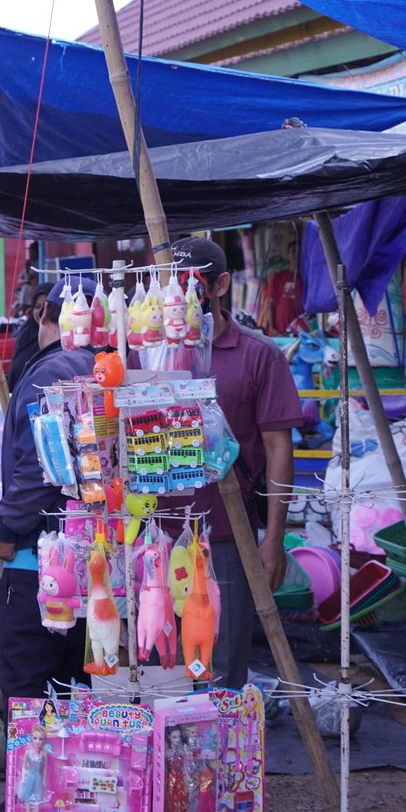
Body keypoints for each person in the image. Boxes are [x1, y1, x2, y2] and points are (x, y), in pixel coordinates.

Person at [167, 237, 301, 689]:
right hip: (154, 537)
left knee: (220, 673)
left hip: (229, 539)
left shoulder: (257, 356)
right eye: (172, 285)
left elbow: (280, 447)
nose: (184, 296)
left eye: (194, 284)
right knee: (162, 669)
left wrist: (274, 539)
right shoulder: (147, 353)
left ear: (220, 284)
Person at [0, 283, 100, 707]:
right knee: (83, 693)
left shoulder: (51, 371)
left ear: (44, 317)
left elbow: (38, 465)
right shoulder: (111, 364)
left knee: (28, 692)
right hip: (100, 560)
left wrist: (7, 525)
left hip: (42, 561)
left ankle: (32, 774)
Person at [6, 281, 53, 391]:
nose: (40, 312)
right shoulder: (25, 334)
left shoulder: (58, 339)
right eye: (37, 306)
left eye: (46, 306)